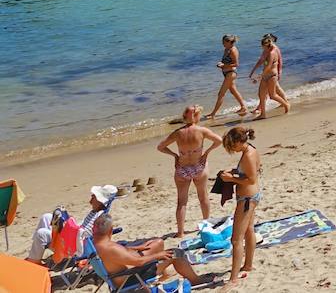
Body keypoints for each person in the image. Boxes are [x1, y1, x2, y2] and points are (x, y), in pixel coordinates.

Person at [90, 213, 206, 290]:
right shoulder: (110, 248)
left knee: (158, 248)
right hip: (129, 278)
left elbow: (116, 255)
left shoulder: (95, 244)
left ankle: (168, 271)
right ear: (111, 230)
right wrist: (158, 254)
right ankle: (196, 281)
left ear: (93, 230)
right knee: (176, 254)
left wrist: (136, 248)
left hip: (116, 278)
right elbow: (138, 262)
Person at [156, 104, 222, 236]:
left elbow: (160, 147)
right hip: (199, 167)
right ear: (197, 116)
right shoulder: (202, 131)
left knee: (182, 202)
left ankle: (180, 232)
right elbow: (219, 141)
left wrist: (175, 155)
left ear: (184, 116)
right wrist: (206, 152)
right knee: (203, 197)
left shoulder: (178, 133)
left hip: (182, 168)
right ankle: (206, 226)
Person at [25, 185, 117, 265]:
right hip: (74, 239)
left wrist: (66, 226)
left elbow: (83, 235)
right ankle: (36, 251)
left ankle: (34, 261)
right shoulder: (96, 212)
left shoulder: (99, 218)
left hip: (73, 247)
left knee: (42, 233)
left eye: (93, 197)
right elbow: (82, 229)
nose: (90, 201)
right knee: (46, 217)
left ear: (100, 201)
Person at [216, 126, 262, 286]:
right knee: (249, 231)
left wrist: (231, 179)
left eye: (232, 145)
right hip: (252, 196)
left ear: (239, 141)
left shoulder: (248, 155)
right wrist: (234, 172)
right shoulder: (250, 150)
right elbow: (251, 172)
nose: (231, 149)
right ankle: (248, 265)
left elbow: (251, 179)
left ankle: (233, 279)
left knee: (236, 240)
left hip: (247, 199)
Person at [248, 33, 289, 121]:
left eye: (262, 46)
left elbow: (269, 66)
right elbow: (261, 60)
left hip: (271, 75)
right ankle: (263, 114)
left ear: (267, 44)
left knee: (272, 95)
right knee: (261, 94)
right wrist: (253, 71)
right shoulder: (266, 50)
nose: (262, 48)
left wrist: (259, 77)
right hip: (265, 75)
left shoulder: (272, 52)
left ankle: (285, 104)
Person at [208, 34, 248, 119]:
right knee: (233, 91)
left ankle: (213, 114)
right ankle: (243, 107)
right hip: (226, 73)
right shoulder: (227, 49)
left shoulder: (233, 50)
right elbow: (226, 61)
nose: (222, 44)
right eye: (222, 42)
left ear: (229, 42)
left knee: (221, 94)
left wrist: (223, 66)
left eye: (224, 42)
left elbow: (236, 64)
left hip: (231, 73)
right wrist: (221, 63)